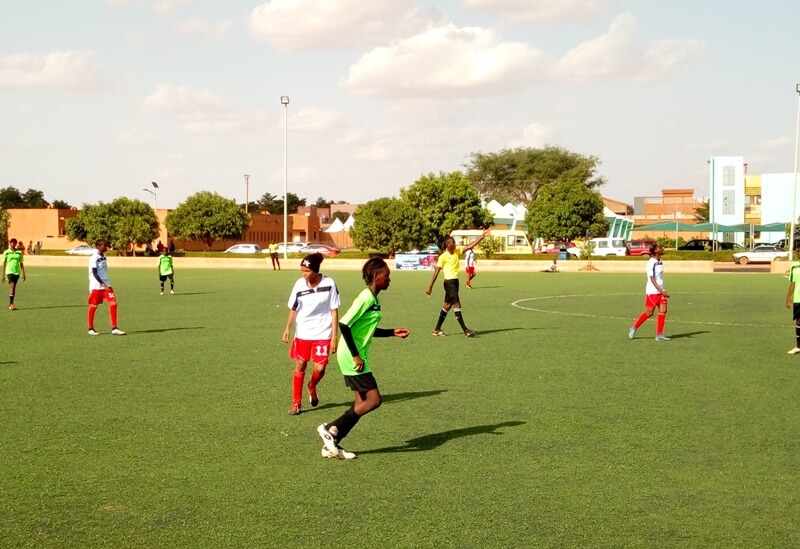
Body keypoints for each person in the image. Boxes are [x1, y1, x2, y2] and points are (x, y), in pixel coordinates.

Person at [317, 257, 409, 460]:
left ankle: (333, 442)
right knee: (374, 400)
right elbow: (344, 324)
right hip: (352, 356)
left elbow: (367, 330)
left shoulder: (374, 300)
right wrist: (356, 355)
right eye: (387, 276)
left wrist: (393, 332)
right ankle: (330, 428)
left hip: (356, 354)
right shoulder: (366, 298)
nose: (389, 280)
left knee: (360, 402)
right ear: (377, 276)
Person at [282, 252, 340, 415]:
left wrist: (334, 337)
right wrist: (287, 328)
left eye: (306, 271)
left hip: (323, 333)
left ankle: (312, 385)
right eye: (302, 271)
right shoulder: (299, 285)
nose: (303, 274)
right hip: (303, 333)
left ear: (315, 270)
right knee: (300, 364)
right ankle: (296, 403)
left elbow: (334, 310)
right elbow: (294, 308)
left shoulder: (329, 283)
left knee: (320, 369)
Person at [425, 228, 491, 337]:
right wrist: (430, 287)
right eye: (453, 243)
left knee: (447, 305)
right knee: (457, 304)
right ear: (448, 245)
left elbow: (471, 245)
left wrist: (482, 236)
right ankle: (466, 331)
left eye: (455, 243)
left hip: (455, 282)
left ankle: (436, 330)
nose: (455, 244)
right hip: (449, 283)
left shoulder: (456, 252)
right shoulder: (443, 257)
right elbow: (436, 272)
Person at [628, 244, 670, 341]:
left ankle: (659, 334)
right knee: (650, 312)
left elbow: (659, 278)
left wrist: (662, 290)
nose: (662, 248)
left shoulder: (660, 261)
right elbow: (652, 278)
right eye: (660, 247)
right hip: (652, 291)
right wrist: (661, 291)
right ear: (655, 251)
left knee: (663, 311)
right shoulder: (651, 262)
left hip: (660, 291)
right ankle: (634, 328)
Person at [87, 239, 125, 336]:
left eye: (106, 245)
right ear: (98, 246)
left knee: (113, 303)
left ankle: (114, 328)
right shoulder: (94, 257)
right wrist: (102, 284)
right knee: (93, 306)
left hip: (107, 284)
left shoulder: (104, 256)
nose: (106, 247)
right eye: (104, 245)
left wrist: (106, 284)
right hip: (96, 285)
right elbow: (94, 273)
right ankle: (90, 328)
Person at [2, 238, 26, 310]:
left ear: (16, 244)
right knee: (12, 285)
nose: (12, 244)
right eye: (11, 242)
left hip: (17, 272)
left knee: (14, 287)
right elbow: (4, 263)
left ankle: (11, 303)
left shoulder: (19, 252)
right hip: (9, 271)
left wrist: (23, 274)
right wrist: (2, 275)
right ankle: (11, 304)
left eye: (14, 243)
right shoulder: (6, 252)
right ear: (10, 243)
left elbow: (21, 263)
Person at [785, 248, 800, 354]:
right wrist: (788, 297)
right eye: (798, 251)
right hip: (798, 298)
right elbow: (793, 283)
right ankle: (798, 346)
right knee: (798, 321)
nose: (799, 253)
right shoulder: (794, 266)